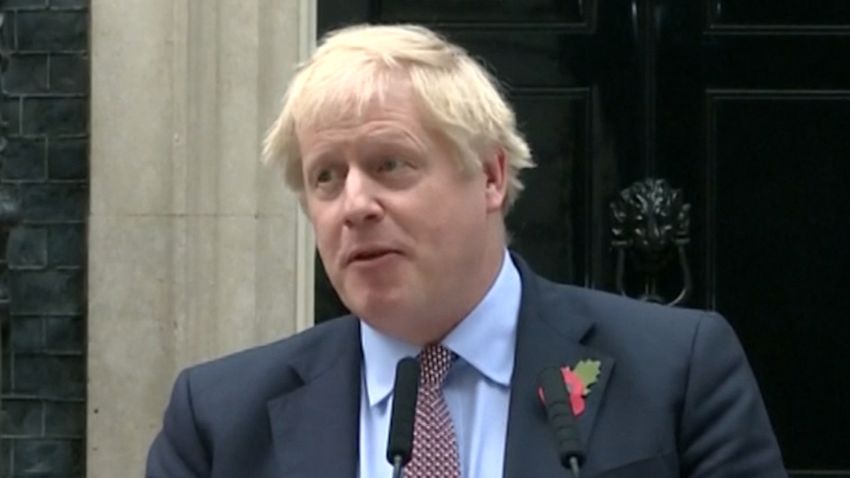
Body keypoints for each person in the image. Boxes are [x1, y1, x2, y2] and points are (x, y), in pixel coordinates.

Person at [146, 24, 786, 477]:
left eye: (390, 164)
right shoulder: (220, 418)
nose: (355, 204)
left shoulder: (678, 372)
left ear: (490, 177)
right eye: (326, 177)